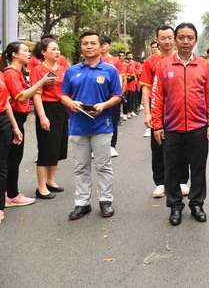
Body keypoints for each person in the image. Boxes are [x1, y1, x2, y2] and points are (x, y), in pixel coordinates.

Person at [152, 23, 209, 226]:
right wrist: (157, 125)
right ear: (175, 40)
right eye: (181, 37)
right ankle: (175, 206)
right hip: (172, 127)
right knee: (172, 169)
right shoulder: (164, 65)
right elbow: (158, 97)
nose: (186, 41)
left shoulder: (205, 66)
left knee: (198, 168)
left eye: (190, 37)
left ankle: (197, 204)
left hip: (198, 127)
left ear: (195, 40)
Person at [61, 32, 122, 220]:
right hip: (78, 126)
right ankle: (82, 203)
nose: (89, 46)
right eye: (85, 43)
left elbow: (117, 95)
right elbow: (63, 94)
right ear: (81, 47)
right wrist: (70, 104)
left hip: (102, 126)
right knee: (81, 166)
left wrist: (104, 105)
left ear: (100, 46)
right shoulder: (72, 71)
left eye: (93, 43)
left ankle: (106, 201)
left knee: (103, 166)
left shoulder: (110, 70)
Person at [2, 42, 55, 207]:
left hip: (18, 118)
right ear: (14, 55)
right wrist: (41, 83)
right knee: (12, 159)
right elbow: (21, 97)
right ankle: (12, 194)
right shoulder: (10, 73)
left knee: (12, 158)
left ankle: (9, 193)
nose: (28, 53)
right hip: (14, 119)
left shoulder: (18, 72)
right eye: (25, 51)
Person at [139, 25, 190, 199]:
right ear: (157, 39)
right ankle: (160, 183)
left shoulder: (182, 59)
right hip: (158, 110)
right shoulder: (151, 61)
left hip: (178, 110)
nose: (167, 41)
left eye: (170, 37)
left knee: (182, 146)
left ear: (175, 39)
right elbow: (145, 89)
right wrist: (148, 112)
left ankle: (182, 180)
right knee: (158, 146)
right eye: (163, 38)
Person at [30, 38, 68, 199]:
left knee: (57, 146)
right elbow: (36, 96)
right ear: (44, 52)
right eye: (53, 49)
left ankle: (51, 180)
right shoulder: (38, 70)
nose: (57, 52)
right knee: (46, 147)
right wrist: (42, 116)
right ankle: (41, 187)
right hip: (46, 109)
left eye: (58, 49)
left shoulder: (61, 69)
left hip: (61, 109)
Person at [0, 64, 23, 224]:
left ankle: (1, 206)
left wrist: (14, 127)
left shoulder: (1, 74)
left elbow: (6, 102)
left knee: (2, 165)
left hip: (2, 121)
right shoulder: (8, 73)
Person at [99, 35, 124, 157]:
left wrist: (120, 93)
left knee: (113, 120)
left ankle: (112, 145)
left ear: (110, 45)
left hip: (112, 96)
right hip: (98, 95)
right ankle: (97, 147)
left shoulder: (115, 61)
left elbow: (120, 78)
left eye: (105, 44)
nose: (102, 47)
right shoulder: (95, 59)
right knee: (97, 118)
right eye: (101, 44)